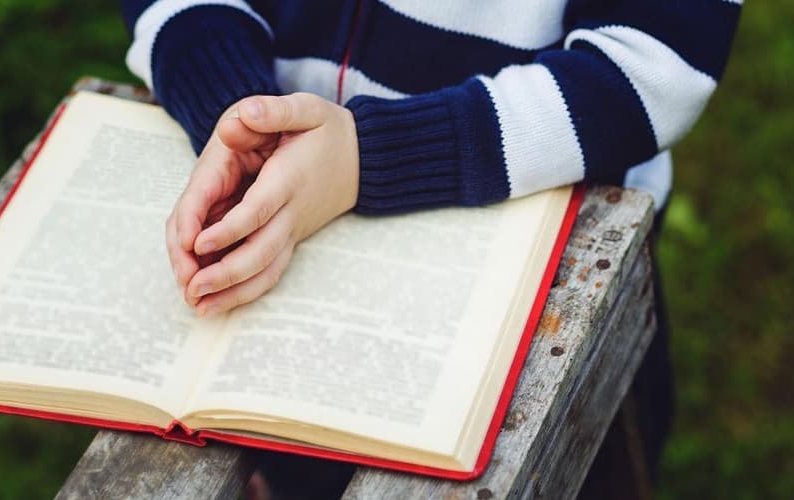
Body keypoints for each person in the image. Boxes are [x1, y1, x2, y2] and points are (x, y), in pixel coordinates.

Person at [121, 0, 741, 496]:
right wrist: (243, 113)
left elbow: (649, 68)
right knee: (290, 450)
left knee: (563, 458)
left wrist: (371, 155)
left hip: (519, 239)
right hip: (293, 237)